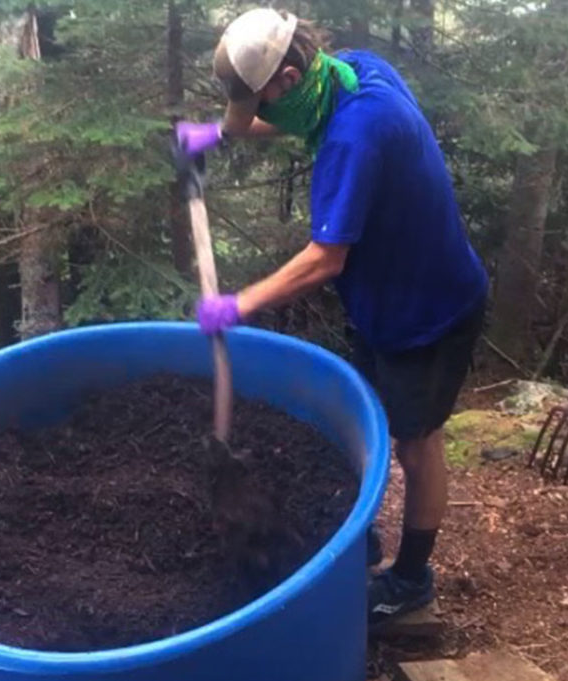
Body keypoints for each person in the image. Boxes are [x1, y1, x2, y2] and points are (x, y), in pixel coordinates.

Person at [176, 8, 488, 626]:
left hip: (429, 310)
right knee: (370, 417)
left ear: (291, 76)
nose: (263, 111)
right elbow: (293, 116)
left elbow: (325, 261)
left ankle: (411, 581)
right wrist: (224, 131)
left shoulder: (356, 136)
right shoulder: (352, 72)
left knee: (416, 444)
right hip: (386, 300)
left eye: (263, 98)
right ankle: (362, 544)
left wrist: (237, 305)